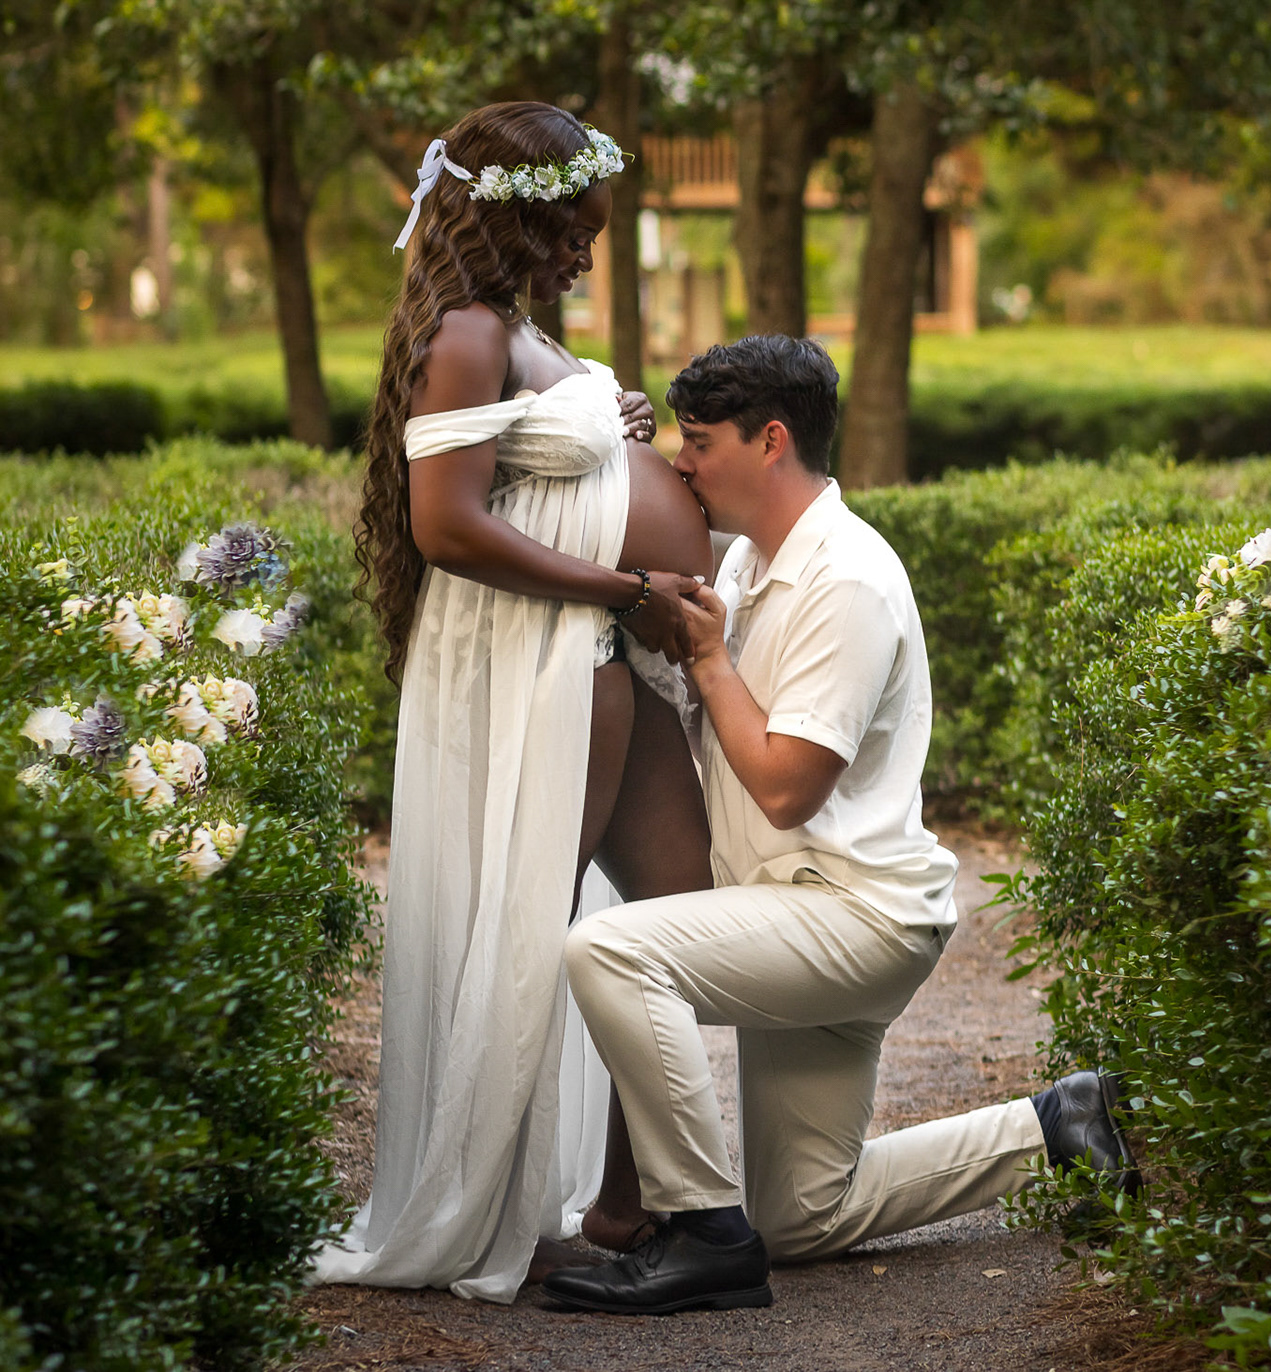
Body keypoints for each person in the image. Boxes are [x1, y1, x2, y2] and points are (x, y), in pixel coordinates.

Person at [544, 335, 1136, 1316]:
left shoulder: (848, 579)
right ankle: (1059, 1126)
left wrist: (709, 661)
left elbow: (785, 788)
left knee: (609, 950)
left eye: (699, 441)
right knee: (805, 1216)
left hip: (853, 916)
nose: (683, 462)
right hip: (797, 912)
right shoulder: (745, 563)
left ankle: (697, 1228)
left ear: (770, 440)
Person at [315, 101, 711, 1302]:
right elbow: (447, 524)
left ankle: (636, 1203)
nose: (589, 252)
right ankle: (484, 1195)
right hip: (552, 656)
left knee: (682, 914)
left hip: (606, 650)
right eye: (576, 230)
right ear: (517, 219)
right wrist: (630, 582)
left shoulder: (516, 327)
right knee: (532, 922)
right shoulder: (465, 331)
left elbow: (529, 457)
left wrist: (610, 422)